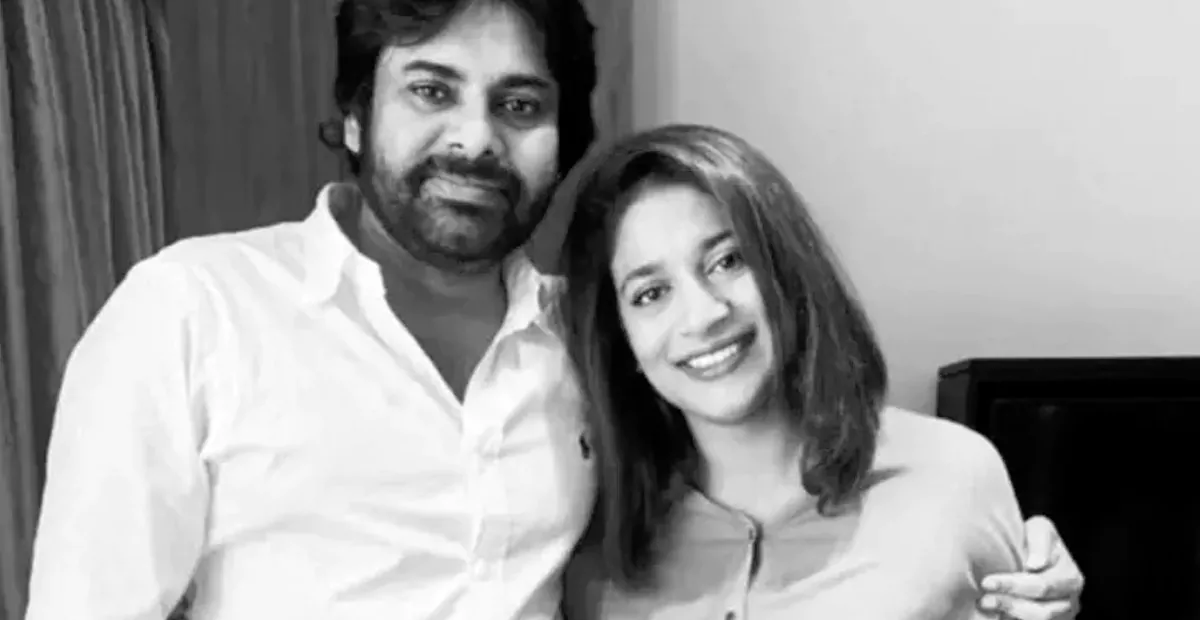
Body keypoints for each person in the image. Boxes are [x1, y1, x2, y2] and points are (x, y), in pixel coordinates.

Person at [23, 1, 1080, 619]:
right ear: (352, 116)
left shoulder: (597, 339)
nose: (476, 138)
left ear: (562, 137)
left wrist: (1025, 577)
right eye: (431, 90)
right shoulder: (191, 311)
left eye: (519, 103)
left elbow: (786, 481)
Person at [555, 123, 1084, 619]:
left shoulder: (955, 477)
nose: (704, 314)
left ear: (785, 268)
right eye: (651, 294)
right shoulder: (596, 555)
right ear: (620, 339)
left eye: (728, 261)